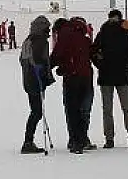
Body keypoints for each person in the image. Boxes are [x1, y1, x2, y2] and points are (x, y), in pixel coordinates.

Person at [92, 9, 128, 149]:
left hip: (106, 76)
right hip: (122, 75)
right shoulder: (126, 33)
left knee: (107, 110)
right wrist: (126, 61)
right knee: (127, 108)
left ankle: (109, 139)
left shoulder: (103, 33)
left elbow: (93, 52)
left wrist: (100, 64)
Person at [50, 18, 94, 154]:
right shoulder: (84, 36)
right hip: (86, 77)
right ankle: (82, 139)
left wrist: (48, 68)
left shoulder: (65, 35)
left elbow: (58, 55)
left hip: (72, 78)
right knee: (83, 111)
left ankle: (76, 142)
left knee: (72, 110)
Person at [19, 15, 54, 154]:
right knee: (37, 112)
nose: (49, 31)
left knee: (35, 111)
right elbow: (41, 60)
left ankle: (28, 141)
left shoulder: (28, 40)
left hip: (28, 79)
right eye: (47, 28)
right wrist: (43, 75)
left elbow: (22, 60)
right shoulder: (40, 41)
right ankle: (28, 142)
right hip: (36, 80)